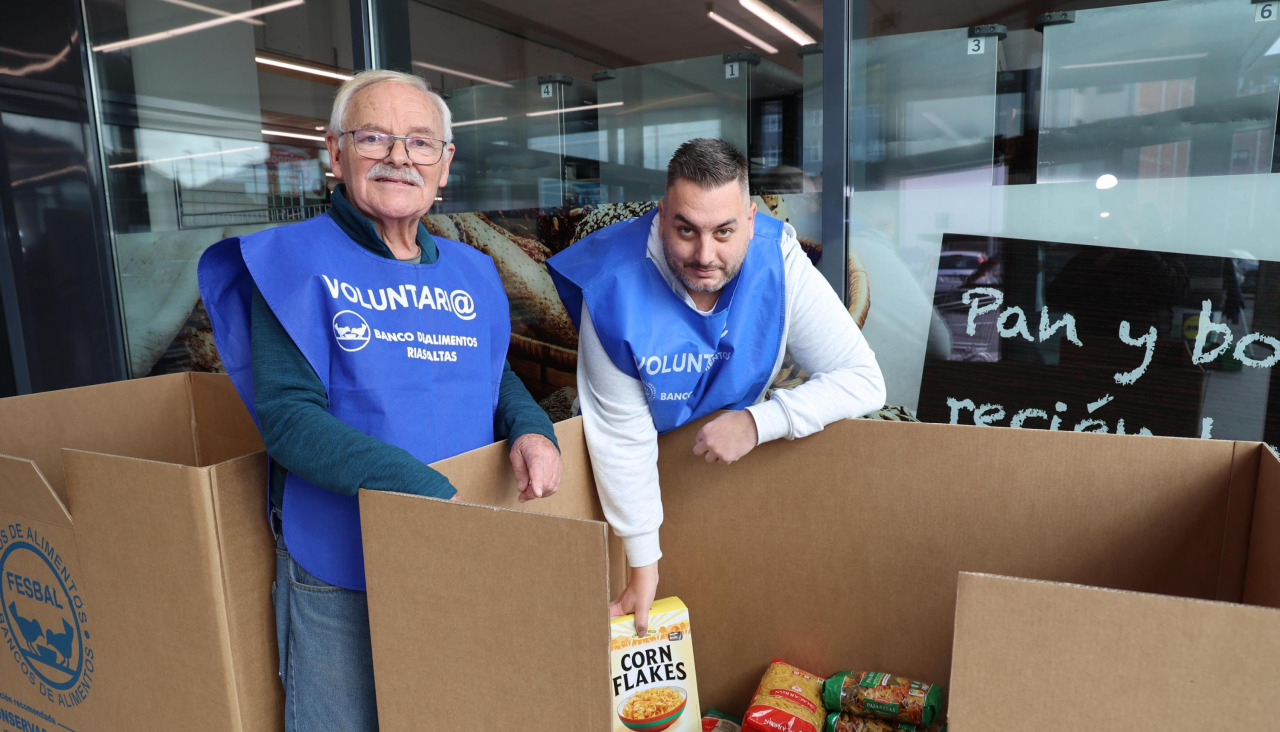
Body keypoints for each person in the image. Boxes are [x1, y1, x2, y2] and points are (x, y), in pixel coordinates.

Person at [197, 69, 562, 731]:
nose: (399, 157)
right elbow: (289, 418)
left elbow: (491, 375)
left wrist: (532, 426)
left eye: (421, 142)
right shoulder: (291, 261)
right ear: (334, 153)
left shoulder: (472, 271)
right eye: (374, 138)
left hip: (459, 548)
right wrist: (424, 492)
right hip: (341, 564)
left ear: (444, 166)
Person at [547, 138, 885, 635]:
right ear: (662, 217)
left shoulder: (779, 258)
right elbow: (623, 437)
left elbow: (862, 379)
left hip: (729, 463)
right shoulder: (612, 285)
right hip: (637, 470)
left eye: (724, 232)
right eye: (686, 230)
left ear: (750, 220)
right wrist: (643, 564)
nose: (705, 255)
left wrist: (759, 421)